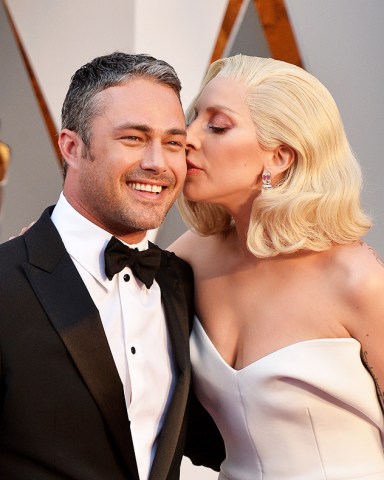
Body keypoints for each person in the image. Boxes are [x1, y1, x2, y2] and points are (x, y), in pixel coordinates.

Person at [0, 52, 224, 480]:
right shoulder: (5, 283)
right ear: (72, 147)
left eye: (174, 143)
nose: (157, 163)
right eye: (134, 138)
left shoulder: (183, 282)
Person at [170, 54, 384, 479]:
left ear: (280, 157)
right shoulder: (194, 253)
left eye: (216, 126)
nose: (187, 137)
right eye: (193, 119)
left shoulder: (354, 277)